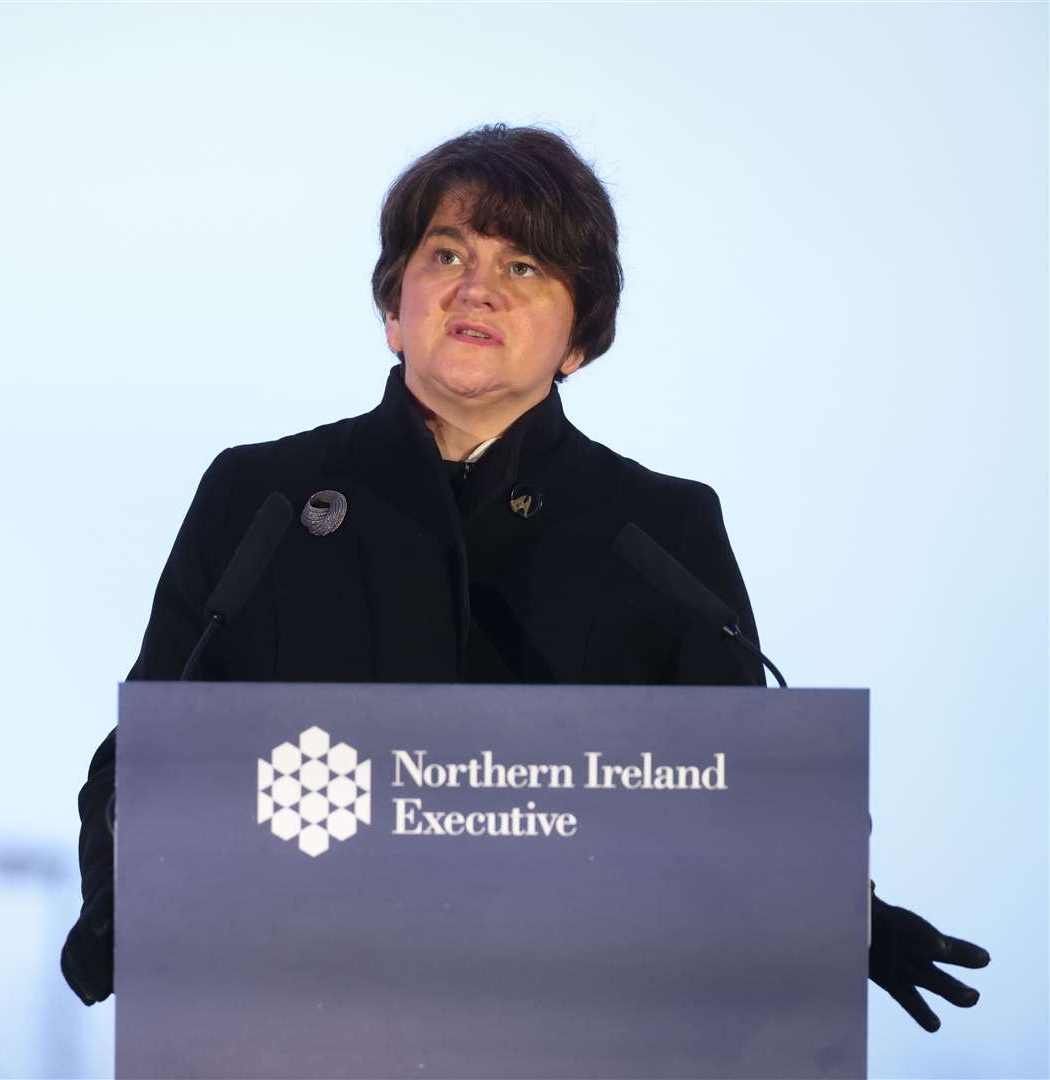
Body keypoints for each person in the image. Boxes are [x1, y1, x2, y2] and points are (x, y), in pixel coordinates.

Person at [61, 124, 989, 1030]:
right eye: (447, 255)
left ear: (579, 340)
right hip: (302, 1019)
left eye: (524, 267)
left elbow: (733, 777)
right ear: (394, 309)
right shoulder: (262, 498)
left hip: (582, 1026)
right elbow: (150, 748)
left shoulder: (657, 529)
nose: (478, 288)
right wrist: (117, 901)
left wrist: (842, 913)